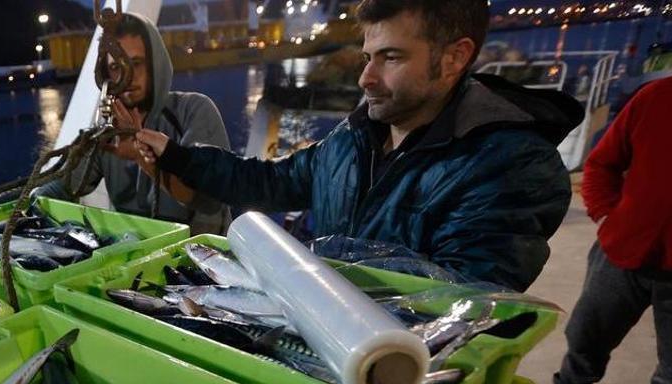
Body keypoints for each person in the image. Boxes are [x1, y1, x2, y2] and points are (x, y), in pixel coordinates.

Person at [134, 0, 583, 291]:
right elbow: (270, 181)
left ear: (454, 58)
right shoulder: (354, 136)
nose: (365, 79)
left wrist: (314, 261)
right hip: (320, 333)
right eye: (368, 57)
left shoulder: (512, 165)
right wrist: (175, 155)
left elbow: (470, 299)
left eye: (391, 57)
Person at [541, 72, 672, 384]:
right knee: (587, 337)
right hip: (622, 251)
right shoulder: (660, 96)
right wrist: (607, 215)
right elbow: (603, 162)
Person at [35, 12, 234, 235]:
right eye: (115, 68)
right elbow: (63, 185)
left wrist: (141, 157)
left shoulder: (194, 111)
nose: (126, 77)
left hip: (201, 259)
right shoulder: (107, 131)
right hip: (136, 258)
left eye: (136, 64)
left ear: (155, 65)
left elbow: (208, 201)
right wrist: (26, 204)